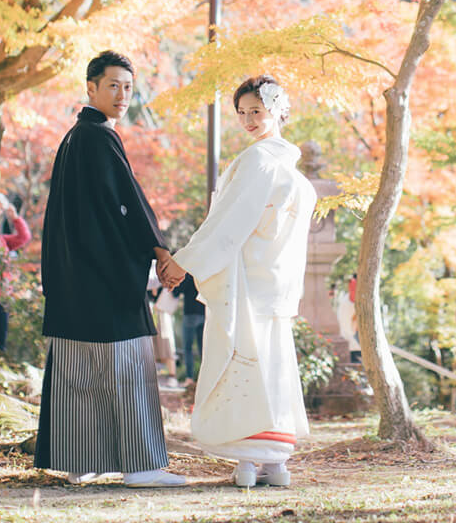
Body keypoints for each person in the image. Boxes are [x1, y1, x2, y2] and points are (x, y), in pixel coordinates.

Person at [34, 50, 187, 489]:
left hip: (74, 276)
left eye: (128, 87)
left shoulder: (75, 136)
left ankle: (79, 460)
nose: (122, 95)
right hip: (103, 278)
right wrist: (158, 249)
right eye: (113, 85)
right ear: (91, 87)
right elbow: (126, 205)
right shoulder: (98, 137)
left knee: (78, 369)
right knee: (125, 366)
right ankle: (141, 466)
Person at [173, 75, 317, 488]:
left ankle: (251, 462)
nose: (248, 119)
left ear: (277, 110)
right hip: (276, 283)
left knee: (246, 364)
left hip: (249, 282)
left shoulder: (258, 161)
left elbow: (226, 223)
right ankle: (276, 463)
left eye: (257, 110)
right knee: (272, 367)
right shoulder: (293, 174)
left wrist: (184, 261)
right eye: (242, 112)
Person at [0, 194, 31, 352]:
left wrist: (15, 218)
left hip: (3, 294)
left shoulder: (2, 239)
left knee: (0, 336)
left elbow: (24, 237)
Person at [174, 273, 204, 381]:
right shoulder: (203, 272)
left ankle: (189, 378)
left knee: (187, 347)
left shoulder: (188, 274)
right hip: (203, 313)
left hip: (190, 313)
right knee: (203, 348)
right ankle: (204, 378)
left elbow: (175, 292)